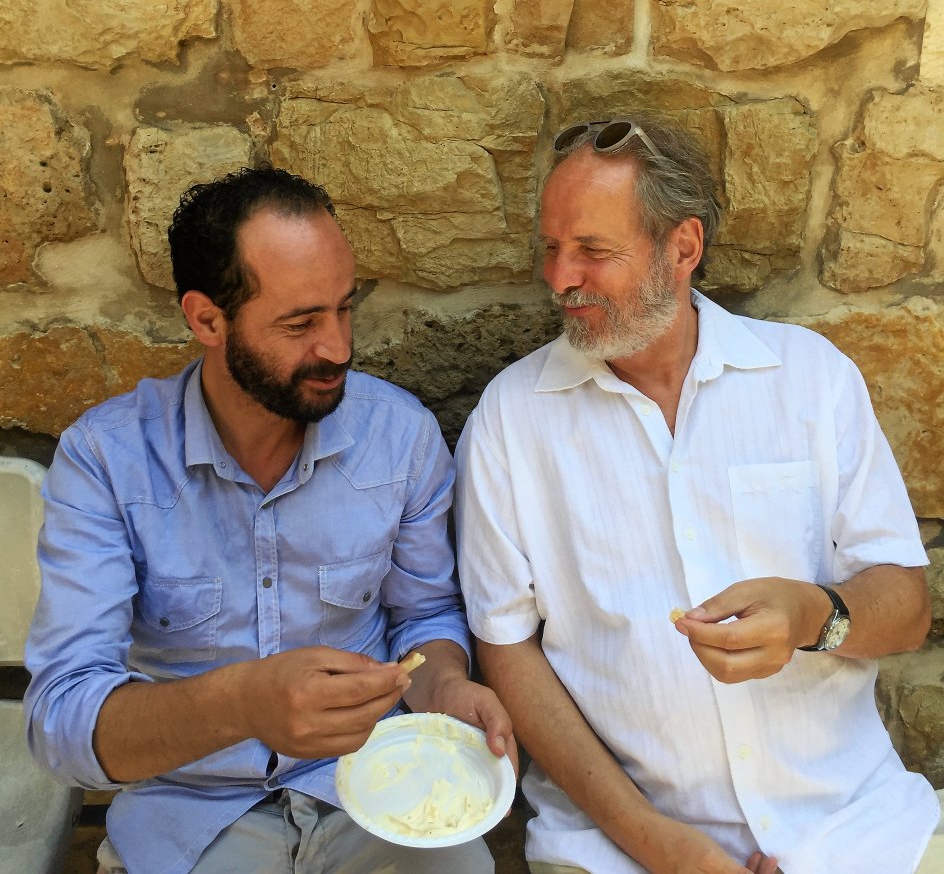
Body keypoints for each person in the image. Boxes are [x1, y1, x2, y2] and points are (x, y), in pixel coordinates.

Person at [455, 114, 940, 874]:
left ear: (683, 248)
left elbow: (907, 607)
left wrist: (816, 614)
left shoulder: (811, 379)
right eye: (551, 248)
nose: (559, 278)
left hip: (854, 829)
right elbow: (507, 651)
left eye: (593, 250)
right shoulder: (510, 423)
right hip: (619, 850)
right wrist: (664, 847)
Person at [25, 166, 513, 874]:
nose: (339, 347)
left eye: (345, 308)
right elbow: (61, 721)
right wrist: (244, 704)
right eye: (300, 322)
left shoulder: (397, 437)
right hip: (188, 814)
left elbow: (424, 616)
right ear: (206, 319)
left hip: (381, 793)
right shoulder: (108, 460)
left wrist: (446, 690)